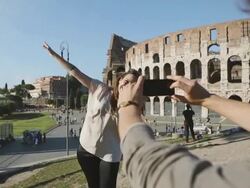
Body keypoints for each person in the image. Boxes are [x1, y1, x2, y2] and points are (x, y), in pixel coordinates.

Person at [117, 74, 250, 188]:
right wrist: (207, 99)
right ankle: (189, 138)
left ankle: (189, 138)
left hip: (187, 123)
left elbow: (162, 175)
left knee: (189, 132)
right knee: (189, 132)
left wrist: (127, 106)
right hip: (188, 122)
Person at [43, 42, 141, 188]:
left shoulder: (133, 104)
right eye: (126, 81)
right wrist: (54, 54)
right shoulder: (99, 88)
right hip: (87, 149)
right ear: (119, 80)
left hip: (110, 152)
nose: (127, 85)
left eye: (132, 84)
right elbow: (74, 72)